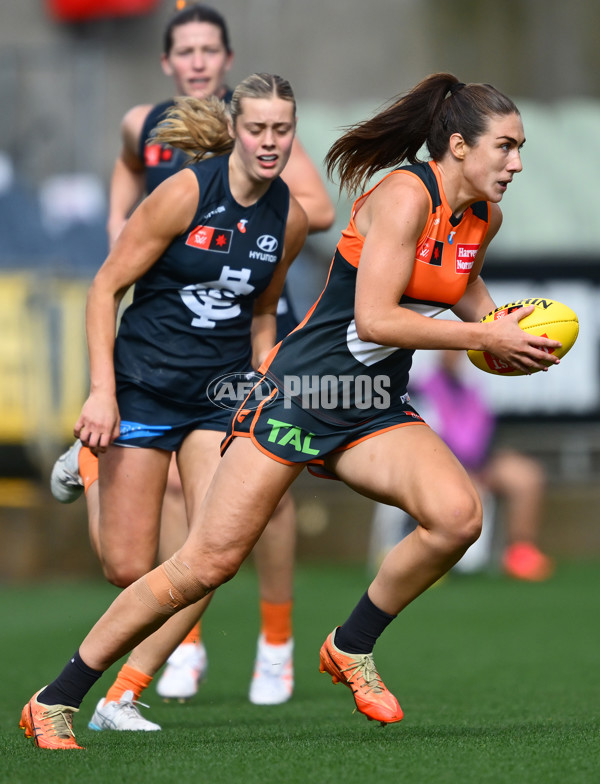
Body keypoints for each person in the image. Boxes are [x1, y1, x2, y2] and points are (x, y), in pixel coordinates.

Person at [22, 72, 563, 750]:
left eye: (521, 149)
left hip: (367, 404)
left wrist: (513, 333)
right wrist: (484, 336)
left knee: (457, 518)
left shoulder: (483, 215)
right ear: (458, 146)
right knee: (205, 564)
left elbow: (461, 287)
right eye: (505, 148)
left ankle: (350, 645)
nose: (515, 164)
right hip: (301, 395)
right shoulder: (402, 196)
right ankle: (56, 697)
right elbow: (377, 318)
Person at [49, 2, 335, 716]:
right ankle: (90, 462)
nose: (270, 143)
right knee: (125, 565)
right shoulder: (181, 191)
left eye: (283, 131)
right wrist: (100, 394)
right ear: (234, 130)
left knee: (213, 553)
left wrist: (266, 379)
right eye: (259, 129)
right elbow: (105, 287)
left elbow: (266, 309)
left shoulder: (291, 218)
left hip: (218, 394)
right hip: (142, 386)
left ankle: (126, 692)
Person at [369, 349, 554, 580]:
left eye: (459, 353)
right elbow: (429, 435)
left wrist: (478, 464)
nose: (455, 357)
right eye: (450, 352)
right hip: (439, 463)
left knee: (525, 476)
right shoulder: (422, 388)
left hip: (478, 462)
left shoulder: (472, 387)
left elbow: (483, 429)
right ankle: (435, 555)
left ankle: (520, 552)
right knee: (463, 484)